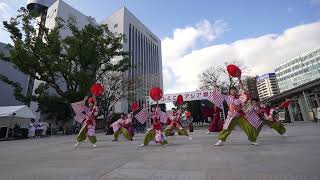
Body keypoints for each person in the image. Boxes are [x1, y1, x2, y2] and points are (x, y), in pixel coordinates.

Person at [214, 81, 261, 146]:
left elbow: (246, 96)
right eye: (232, 90)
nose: (233, 91)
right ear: (229, 92)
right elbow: (219, 96)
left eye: (235, 90)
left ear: (236, 91)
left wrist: (241, 85)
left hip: (240, 115)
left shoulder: (240, 97)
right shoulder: (227, 97)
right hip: (231, 116)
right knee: (226, 128)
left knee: (248, 127)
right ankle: (221, 140)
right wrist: (216, 89)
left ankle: (253, 140)